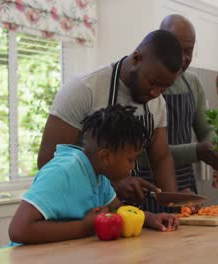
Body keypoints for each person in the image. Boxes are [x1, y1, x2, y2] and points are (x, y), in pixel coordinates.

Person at [37, 30, 183, 210]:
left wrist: (177, 206)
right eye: (152, 82)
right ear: (136, 59)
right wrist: (111, 186)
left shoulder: (157, 103)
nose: (155, 93)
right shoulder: (83, 89)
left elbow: (161, 158)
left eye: (163, 88)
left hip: (123, 215)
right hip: (77, 212)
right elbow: (47, 163)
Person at [8, 105, 179, 246]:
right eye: (130, 159)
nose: (133, 167)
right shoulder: (62, 172)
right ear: (106, 156)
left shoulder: (99, 175)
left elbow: (117, 209)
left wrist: (150, 218)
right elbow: (18, 230)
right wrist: (86, 226)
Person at [159, 14, 218, 194]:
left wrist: (214, 147)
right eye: (177, 50)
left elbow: (206, 130)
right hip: (149, 184)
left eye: (188, 51)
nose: (183, 58)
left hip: (185, 184)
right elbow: (145, 153)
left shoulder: (193, 82)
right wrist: (197, 151)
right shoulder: (146, 83)